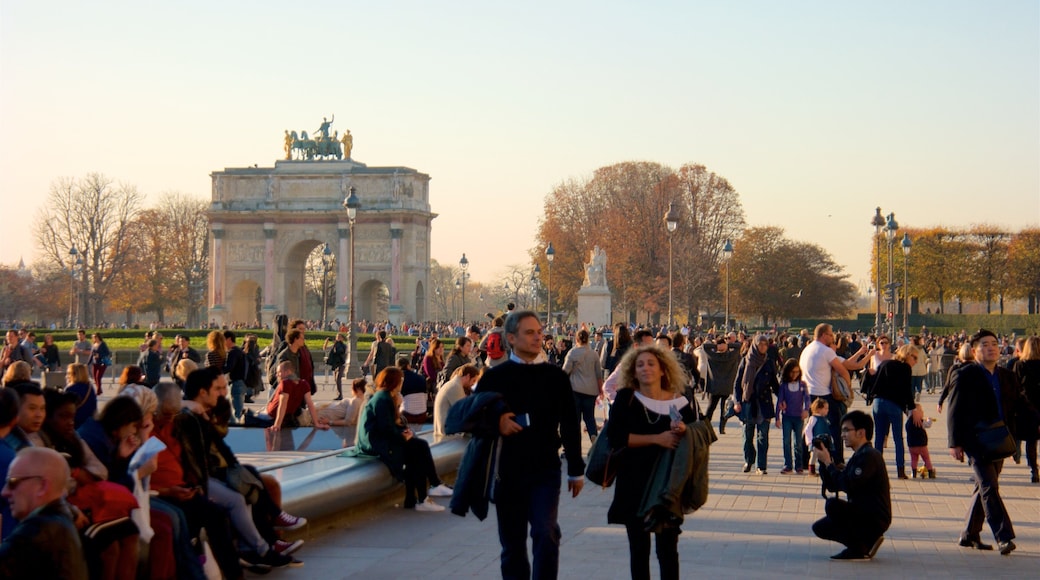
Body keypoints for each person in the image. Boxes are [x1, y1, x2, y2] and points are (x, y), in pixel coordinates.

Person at [474, 310, 585, 579]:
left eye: (539, 332)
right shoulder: (493, 377)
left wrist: (576, 468)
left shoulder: (555, 376)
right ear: (511, 338)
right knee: (512, 545)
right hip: (507, 470)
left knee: (545, 533)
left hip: (545, 469)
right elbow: (473, 419)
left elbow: (570, 422)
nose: (538, 337)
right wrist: (496, 423)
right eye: (530, 332)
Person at [606, 345, 701, 580]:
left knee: (668, 550)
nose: (645, 368)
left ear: (663, 370)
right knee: (639, 549)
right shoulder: (626, 398)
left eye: (651, 364)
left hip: (667, 485)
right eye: (640, 365)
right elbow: (616, 438)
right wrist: (657, 439)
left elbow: (695, 436)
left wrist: (683, 430)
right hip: (633, 483)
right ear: (633, 371)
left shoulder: (679, 401)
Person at [947, 329, 1036, 556]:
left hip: (1000, 439)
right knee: (989, 485)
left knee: (984, 487)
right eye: (985, 344)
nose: (991, 347)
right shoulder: (965, 374)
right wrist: (954, 443)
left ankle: (969, 534)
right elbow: (954, 409)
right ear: (975, 350)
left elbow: (1020, 403)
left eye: (994, 344)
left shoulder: (1007, 376)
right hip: (975, 439)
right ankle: (1003, 536)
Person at [354, 367, 452, 511]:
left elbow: (388, 425)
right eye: (400, 381)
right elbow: (385, 427)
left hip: (376, 440)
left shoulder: (383, 396)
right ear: (395, 382)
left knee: (417, 448)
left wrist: (403, 432)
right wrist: (403, 436)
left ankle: (416, 498)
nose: (402, 383)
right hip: (376, 444)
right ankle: (427, 492)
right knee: (419, 447)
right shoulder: (383, 399)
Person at [812, 410, 890, 560]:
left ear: (861, 432)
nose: (842, 435)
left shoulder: (869, 456)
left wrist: (829, 463)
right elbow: (833, 486)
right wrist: (824, 464)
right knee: (820, 527)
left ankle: (864, 542)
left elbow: (847, 484)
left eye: (846, 430)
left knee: (832, 506)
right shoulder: (859, 455)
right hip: (863, 512)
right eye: (842, 431)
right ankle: (860, 545)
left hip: (875, 518)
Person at [0, 447, 89, 579]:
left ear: (42, 486)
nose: (4, 492)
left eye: (13, 482)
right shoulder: (60, 524)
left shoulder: (35, 533)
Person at [799, 324, 852, 463]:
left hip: (808, 394)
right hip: (823, 394)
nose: (832, 337)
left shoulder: (807, 349)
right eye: (830, 334)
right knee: (835, 427)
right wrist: (848, 388)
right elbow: (842, 370)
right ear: (823, 335)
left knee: (811, 427)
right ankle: (837, 459)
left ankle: (803, 459)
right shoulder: (825, 351)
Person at [868, 344, 918, 479]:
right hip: (894, 405)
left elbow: (875, 382)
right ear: (907, 355)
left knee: (879, 437)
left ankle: (876, 471)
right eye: (914, 357)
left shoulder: (885, 363)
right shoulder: (905, 368)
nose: (916, 361)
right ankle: (900, 471)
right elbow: (907, 391)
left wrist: (872, 397)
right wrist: (912, 408)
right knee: (898, 438)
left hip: (879, 403)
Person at [733, 334, 778, 474]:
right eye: (761, 344)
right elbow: (737, 383)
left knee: (762, 437)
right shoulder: (746, 361)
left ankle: (761, 465)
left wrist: (784, 399)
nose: (763, 347)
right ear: (755, 345)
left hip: (763, 404)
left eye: (765, 345)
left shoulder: (769, 362)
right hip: (748, 403)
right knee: (747, 435)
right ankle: (748, 460)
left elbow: (775, 384)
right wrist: (737, 401)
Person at [562, 329, 603, 443]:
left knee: (575, 420)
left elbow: (564, 372)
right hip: (591, 390)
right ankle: (593, 435)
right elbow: (598, 374)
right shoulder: (594, 354)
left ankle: (574, 443)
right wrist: (600, 390)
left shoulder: (572, 353)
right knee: (589, 417)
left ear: (576, 339)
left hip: (575, 389)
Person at [266, 361, 330, 431]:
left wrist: (277, 425)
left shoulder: (285, 383)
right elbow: (310, 404)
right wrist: (316, 423)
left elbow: (282, 404)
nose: (277, 375)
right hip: (287, 417)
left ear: (287, 372)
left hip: (272, 416)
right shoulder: (304, 384)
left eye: (279, 372)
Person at [1011, 335, 1040, 483]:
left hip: (1025, 408)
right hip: (1038, 407)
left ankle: (1033, 468)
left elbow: (1015, 388)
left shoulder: (1019, 365)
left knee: (1030, 440)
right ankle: (1034, 469)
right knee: (1033, 440)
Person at [775, 359, 810, 474]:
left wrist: (806, 410)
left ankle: (799, 465)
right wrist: (777, 417)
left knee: (798, 442)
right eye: (792, 372)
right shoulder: (784, 386)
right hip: (787, 417)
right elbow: (779, 401)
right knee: (786, 441)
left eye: (797, 372)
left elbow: (807, 399)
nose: (795, 374)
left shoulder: (802, 384)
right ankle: (788, 465)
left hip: (798, 417)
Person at [701, 338, 742, 434]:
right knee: (724, 408)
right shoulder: (731, 356)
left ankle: (706, 426)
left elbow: (705, 346)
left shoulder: (712, 356)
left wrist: (716, 346)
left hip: (715, 386)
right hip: (727, 386)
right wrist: (727, 345)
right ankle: (722, 428)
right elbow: (738, 346)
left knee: (710, 408)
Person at [433, 364, 480, 438]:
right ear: (467, 376)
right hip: (449, 432)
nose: (473, 384)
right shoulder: (455, 387)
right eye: (473, 380)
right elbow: (465, 414)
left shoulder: (453, 384)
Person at [65, 362, 98, 428]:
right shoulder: (90, 387)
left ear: (74, 374)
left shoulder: (70, 389)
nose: (67, 376)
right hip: (89, 422)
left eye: (69, 373)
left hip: (75, 423)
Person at [906, 404, 935, 478]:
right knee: (926, 458)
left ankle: (914, 472)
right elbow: (928, 425)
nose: (922, 412)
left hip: (912, 446)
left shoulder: (908, 423)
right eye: (921, 411)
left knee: (914, 459)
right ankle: (930, 471)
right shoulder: (921, 422)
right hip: (922, 445)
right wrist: (929, 420)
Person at [323, 333, 348, 400]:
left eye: (339, 337)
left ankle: (340, 395)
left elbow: (344, 353)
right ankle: (339, 394)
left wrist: (337, 347)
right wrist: (326, 342)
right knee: (336, 379)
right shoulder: (334, 345)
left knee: (338, 379)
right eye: (337, 337)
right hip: (335, 364)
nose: (338, 338)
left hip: (341, 364)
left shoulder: (344, 346)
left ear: (342, 338)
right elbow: (325, 348)